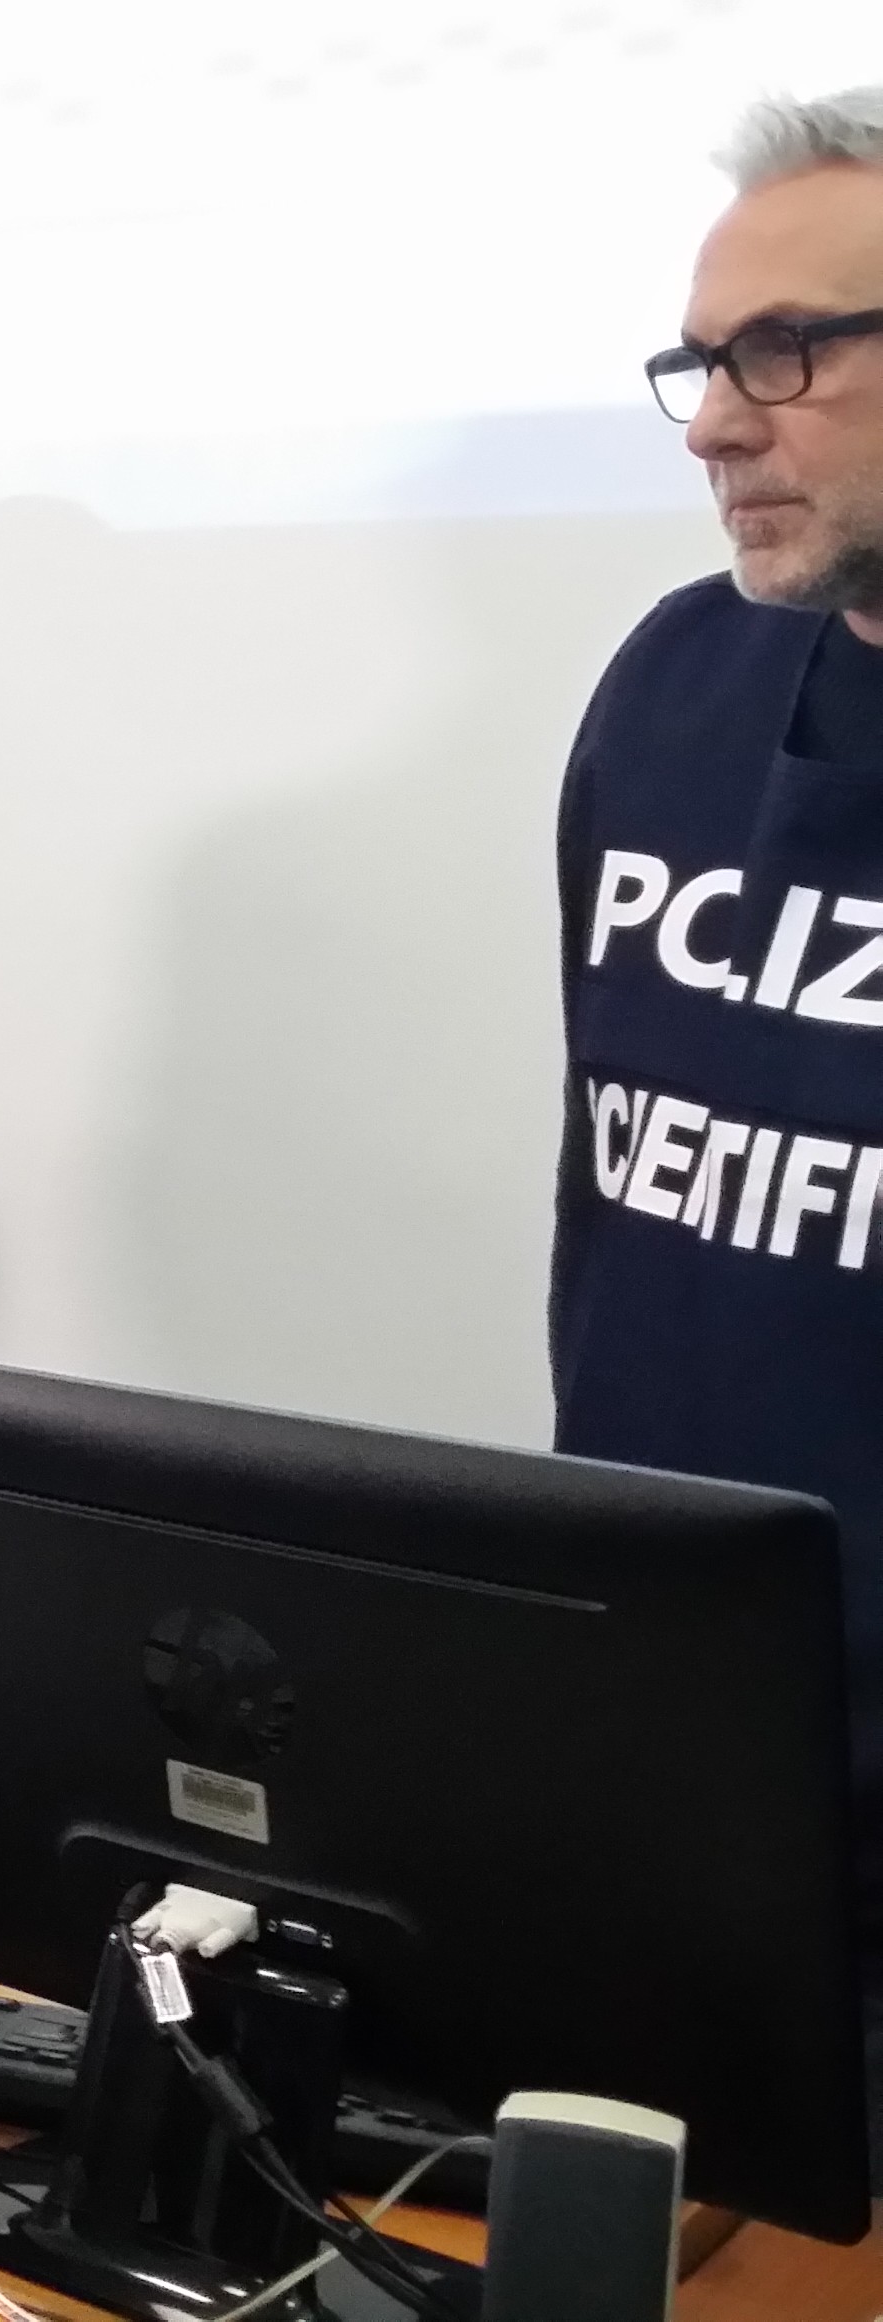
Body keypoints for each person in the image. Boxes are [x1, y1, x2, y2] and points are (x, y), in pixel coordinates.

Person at [549, 86, 883, 2147]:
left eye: (787, 352)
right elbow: (624, 1204)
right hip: (671, 1773)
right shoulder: (676, 686)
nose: (715, 424)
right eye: (700, 361)